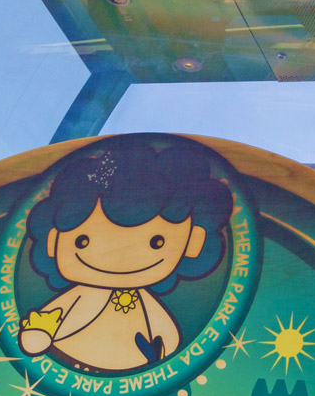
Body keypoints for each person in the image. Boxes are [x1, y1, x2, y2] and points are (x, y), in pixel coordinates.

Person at [18, 135, 233, 372]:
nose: (112, 255)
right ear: (53, 240)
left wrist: (165, 347)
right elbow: (48, 321)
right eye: (83, 241)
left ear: (194, 241)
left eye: (156, 241)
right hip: (72, 361)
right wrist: (38, 335)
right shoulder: (79, 295)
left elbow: (163, 331)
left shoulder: (143, 300)